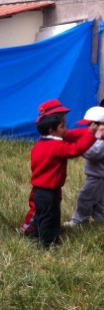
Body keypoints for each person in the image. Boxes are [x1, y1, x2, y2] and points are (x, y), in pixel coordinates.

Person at [29, 99, 97, 248]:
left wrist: (89, 131)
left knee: (41, 215)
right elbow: (75, 149)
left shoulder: (41, 144)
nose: (66, 129)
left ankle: (36, 235)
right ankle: (48, 243)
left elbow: (70, 135)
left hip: (39, 190)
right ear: (52, 130)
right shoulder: (56, 146)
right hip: (49, 192)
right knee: (51, 217)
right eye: (63, 126)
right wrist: (91, 135)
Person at [63, 105, 104, 228]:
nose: (88, 129)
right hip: (98, 176)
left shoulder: (101, 141)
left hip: (97, 177)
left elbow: (92, 153)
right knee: (99, 200)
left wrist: (81, 146)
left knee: (85, 198)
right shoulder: (99, 139)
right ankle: (100, 220)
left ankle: (79, 220)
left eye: (90, 125)